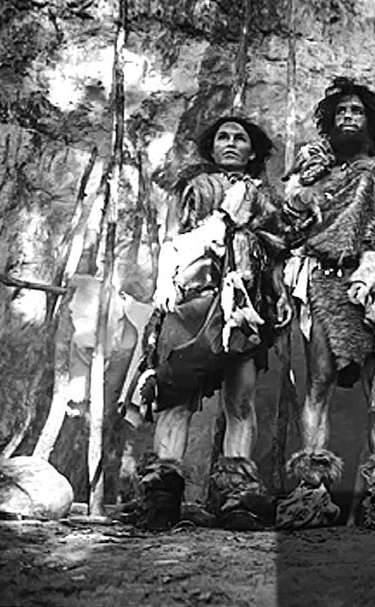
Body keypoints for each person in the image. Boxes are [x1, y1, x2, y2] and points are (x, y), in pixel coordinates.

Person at [276, 77, 375, 531]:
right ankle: (312, 490)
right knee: (319, 380)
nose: (348, 116)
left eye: (356, 111)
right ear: (330, 122)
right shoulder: (314, 177)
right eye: (341, 111)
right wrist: (306, 192)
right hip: (325, 280)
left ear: (371, 123)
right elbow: (290, 227)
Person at [127, 116, 292, 530]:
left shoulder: (263, 199)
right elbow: (171, 239)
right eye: (223, 137)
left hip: (244, 308)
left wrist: (280, 293)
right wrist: (165, 284)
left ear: (252, 152)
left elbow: (276, 253)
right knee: (175, 396)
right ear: (212, 146)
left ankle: (236, 498)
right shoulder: (193, 188)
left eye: (240, 138)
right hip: (192, 302)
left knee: (241, 400)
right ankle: (162, 497)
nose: (231, 143)